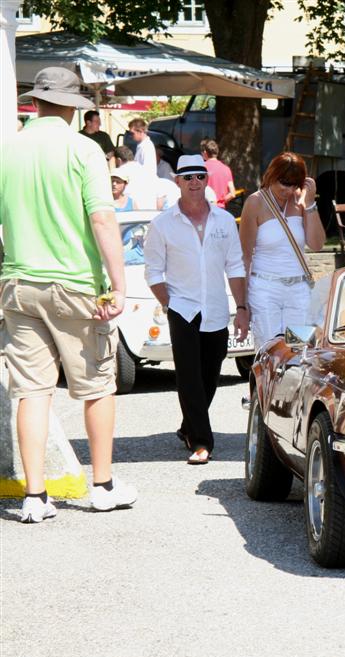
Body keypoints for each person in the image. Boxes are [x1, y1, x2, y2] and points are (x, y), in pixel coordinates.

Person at [0, 67, 136, 522]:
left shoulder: (9, 148)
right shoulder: (85, 149)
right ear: (74, 108)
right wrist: (119, 283)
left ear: (36, 102)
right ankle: (102, 486)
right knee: (97, 385)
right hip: (76, 284)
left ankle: (34, 498)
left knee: (32, 392)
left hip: (18, 283)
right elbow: (101, 219)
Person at [144, 154, 250, 465]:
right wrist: (169, 304)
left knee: (210, 374)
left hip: (216, 307)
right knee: (189, 376)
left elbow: (235, 266)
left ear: (207, 180)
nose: (194, 183)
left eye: (200, 177)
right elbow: (152, 272)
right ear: (177, 181)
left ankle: (188, 426)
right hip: (182, 308)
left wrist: (241, 307)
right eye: (187, 177)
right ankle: (202, 442)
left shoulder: (225, 221)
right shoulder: (162, 224)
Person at [239, 152, 325, 348]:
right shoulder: (255, 202)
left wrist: (310, 204)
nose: (289, 189)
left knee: (299, 352)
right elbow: (244, 257)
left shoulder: (299, 201)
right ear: (272, 176)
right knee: (271, 353)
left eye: (295, 184)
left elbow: (317, 244)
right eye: (284, 183)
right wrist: (242, 305)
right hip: (265, 288)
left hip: (298, 289)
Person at [200, 138, 237, 209]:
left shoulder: (202, 168)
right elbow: (232, 194)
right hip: (221, 210)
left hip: (205, 209)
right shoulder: (226, 169)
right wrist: (220, 202)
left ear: (205, 152)